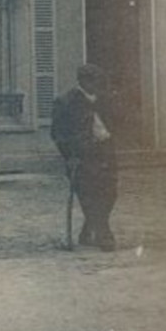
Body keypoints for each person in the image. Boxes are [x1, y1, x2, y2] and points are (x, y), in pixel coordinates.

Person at [52, 64, 118, 250]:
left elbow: (116, 122)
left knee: (110, 192)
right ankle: (103, 233)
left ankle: (89, 229)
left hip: (105, 152)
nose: (99, 85)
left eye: (100, 81)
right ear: (83, 81)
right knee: (89, 194)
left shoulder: (104, 100)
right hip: (81, 155)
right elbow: (57, 133)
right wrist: (69, 156)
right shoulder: (66, 102)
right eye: (95, 81)